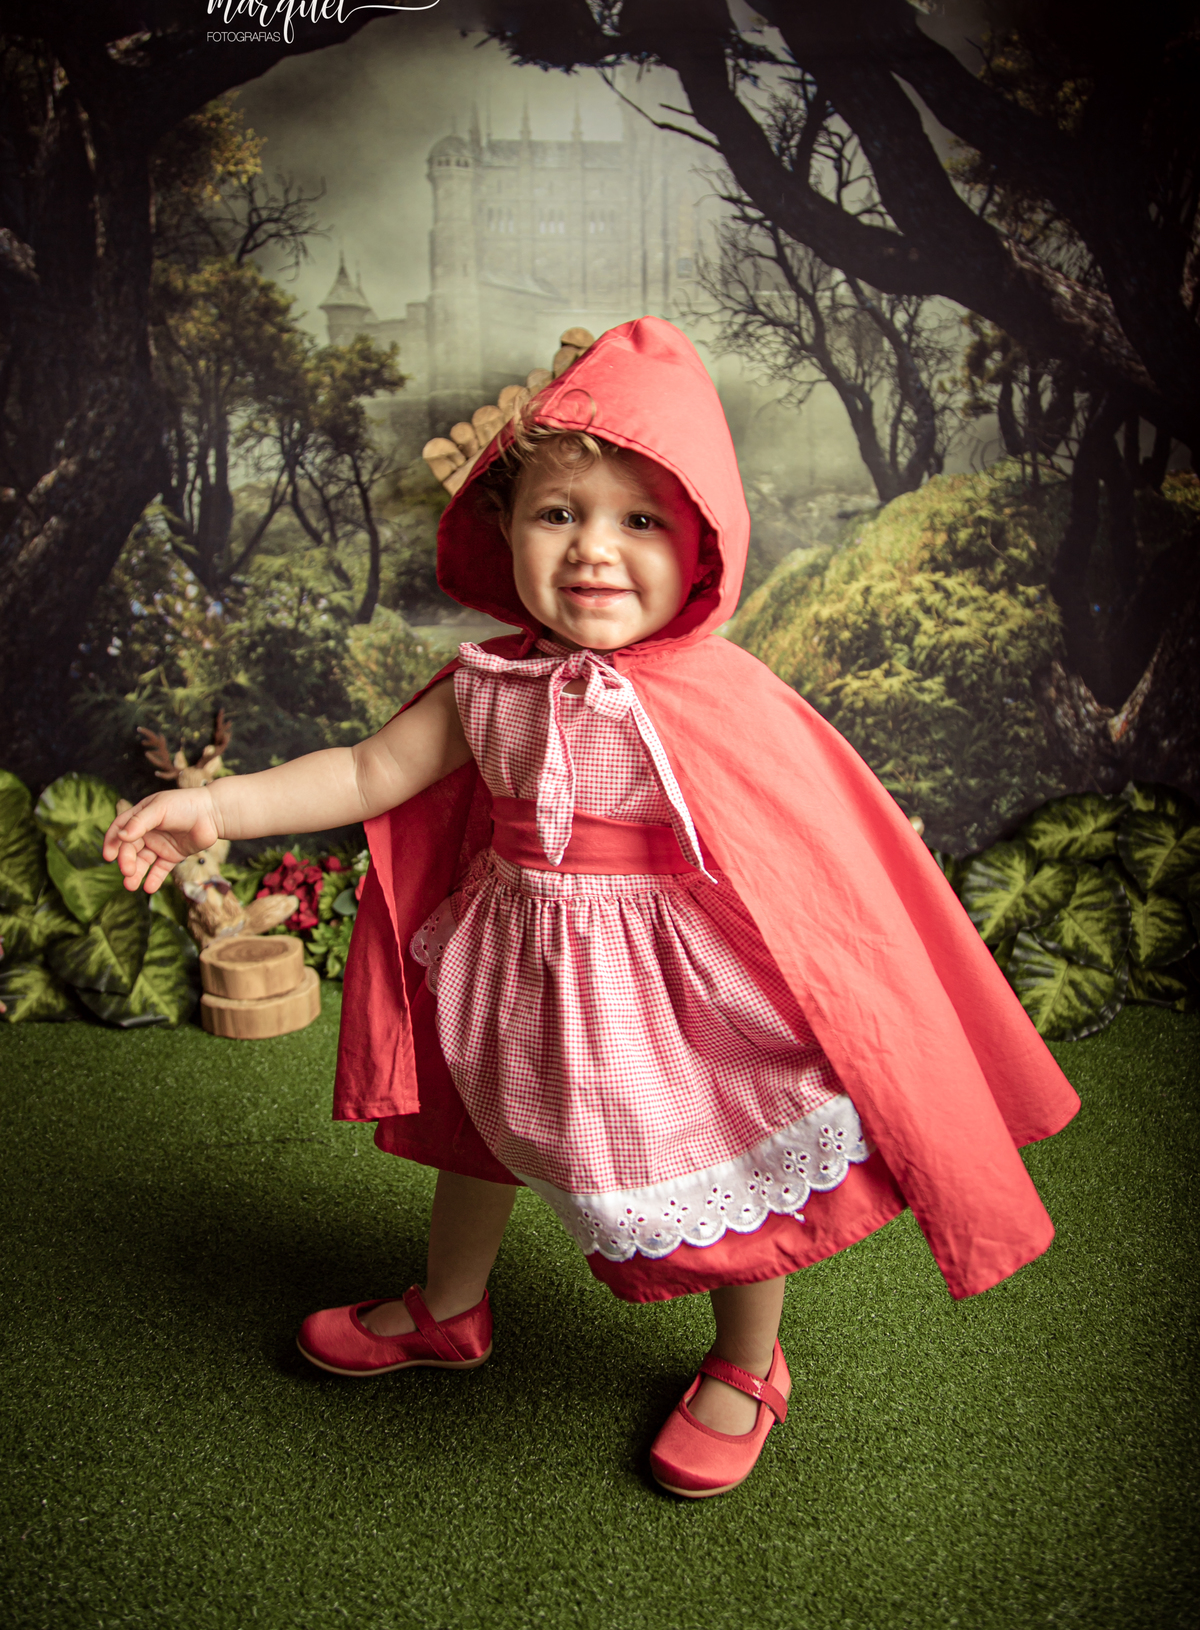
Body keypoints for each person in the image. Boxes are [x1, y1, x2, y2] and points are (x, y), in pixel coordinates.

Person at [104, 317, 1079, 1500]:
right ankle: (448, 1309)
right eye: (559, 514)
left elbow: (811, 857)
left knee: (732, 1151)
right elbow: (367, 773)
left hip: (673, 994)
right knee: (479, 1131)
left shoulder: (719, 695)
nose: (594, 553)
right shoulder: (488, 683)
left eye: (642, 520)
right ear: (503, 528)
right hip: (511, 966)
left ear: (704, 539)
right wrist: (219, 806)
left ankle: (747, 1363)